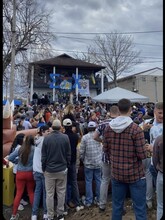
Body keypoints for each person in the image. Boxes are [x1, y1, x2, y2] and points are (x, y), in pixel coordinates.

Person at [103, 98, 148, 220]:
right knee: (139, 208)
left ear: (118, 109)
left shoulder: (108, 128)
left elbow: (105, 150)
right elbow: (142, 155)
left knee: (117, 207)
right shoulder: (136, 129)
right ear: (130, 110)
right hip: (135, 174)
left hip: (117, 173)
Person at [41, 119, 71, 220]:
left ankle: (50, 215)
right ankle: (60, 214)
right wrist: (67, 164)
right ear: (60, 127)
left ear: (52, 127)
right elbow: (68, 154)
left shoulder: (47, 138)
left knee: (49, 194)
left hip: (49, 170)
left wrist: (43, 168)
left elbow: (43, 156)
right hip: (62, 169)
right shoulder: (65, 138)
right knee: (61, 192)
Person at [93, 105, 120, 212]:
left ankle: (102, 204)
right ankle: (119, 205)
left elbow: (94, 136)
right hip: (118, 156)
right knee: (117, 181)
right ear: (118, 112)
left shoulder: (103, 123)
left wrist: (103, 141)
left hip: (106, 155)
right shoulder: (121, 123)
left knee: (105, 180)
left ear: (109, 112)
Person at [8, 135, 35, 220]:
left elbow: (10, 158)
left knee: (18, 193)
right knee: (31, 192)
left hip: (20, 173)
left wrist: (17, 161)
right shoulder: (35, 149)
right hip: (30, 173)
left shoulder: (19, 148)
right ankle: (34, 215)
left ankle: (13, 215)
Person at [143, 102, 163, 209]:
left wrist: (153, 147)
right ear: (155, 112)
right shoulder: (149, 123)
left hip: (161, 164)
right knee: (153, 181)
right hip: (152, 162)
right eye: (160, 113)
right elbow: (143, 138)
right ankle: (151, 200)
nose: (162, 116)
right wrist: (143, 129)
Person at [62, 118, 84, 212]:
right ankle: (77, 202)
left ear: (64, 127)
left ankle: (66, 204)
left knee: (65, 184)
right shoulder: (75, 136)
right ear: (71, 126)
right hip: (73, 161)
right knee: (74, 183)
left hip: (65, 162)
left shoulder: (63, 137)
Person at [80, 121, 102, 207]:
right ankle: (99, 199)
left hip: (88, 163)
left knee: (88, 182)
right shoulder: (99, 137)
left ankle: (89, 201)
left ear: (88, 128)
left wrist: (83, 159)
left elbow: (81, 151)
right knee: (98, 180)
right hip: (98, 162)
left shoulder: (85, 138)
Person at [31, 125, 50, 220]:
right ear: (43, 132)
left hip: (36, 170)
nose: (49, 133)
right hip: (43, 171)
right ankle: (45, 213)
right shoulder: (44, 142)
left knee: (38, 192)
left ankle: (34, 214)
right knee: (45, 193)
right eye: (47, 132)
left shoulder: (36, 140)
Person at [152, 134, 163, 220]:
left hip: (162, 174)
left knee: (161, 205)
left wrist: (158, 171)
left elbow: (155, 159)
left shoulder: (159, 139)